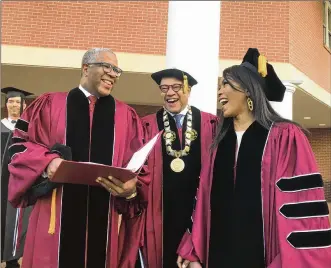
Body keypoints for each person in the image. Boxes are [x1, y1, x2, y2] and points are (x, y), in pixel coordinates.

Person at [177, 48, 331, 268]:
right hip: (218, 255)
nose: (220, 91)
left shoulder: (285, 137)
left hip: (267, 259)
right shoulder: (219, 144)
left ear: (248, 90)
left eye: (227, 84)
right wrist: (194, 251)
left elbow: (302, 207)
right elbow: (202, 201)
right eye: (220, 85)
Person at [7, 48, 149, 268]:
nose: (113, 74)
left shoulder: (126, 117)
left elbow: (142, 166)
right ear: (85, 68)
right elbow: (18, 147)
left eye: (117, 70)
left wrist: (131, 188)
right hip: (55, 219)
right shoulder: (49, 105)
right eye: (107, 67)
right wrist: (46, 163)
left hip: (105, 220)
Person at [140, 68, 218, 268]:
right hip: (159, 211)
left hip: (197, 211)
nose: (170, 93)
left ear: (188, 90)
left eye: (176, 87)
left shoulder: (211, 123)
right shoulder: (146, 125)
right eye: (164, 88)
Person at [1, 87, 33, 268]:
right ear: (6, 104)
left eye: (18, 102)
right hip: (0, 182)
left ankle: (13, 259)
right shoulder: (1, 125)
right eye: (11, 101)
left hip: (19, 183)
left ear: (24, 105)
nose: (14, 105)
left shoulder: (29, 129)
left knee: (17, 219)